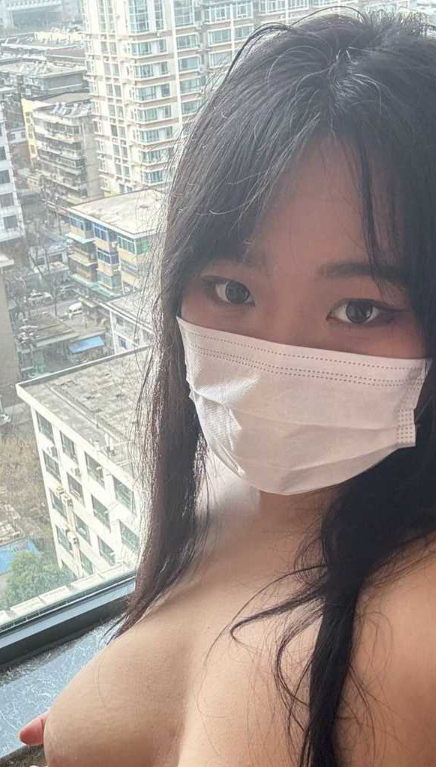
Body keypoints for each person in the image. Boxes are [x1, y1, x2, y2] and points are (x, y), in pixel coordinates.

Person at [18, 9, 436, 766]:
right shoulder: (220, 480)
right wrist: (109, 718)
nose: (276, 360)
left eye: (360, 309)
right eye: (233, 290)